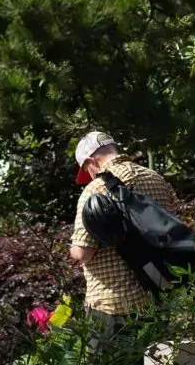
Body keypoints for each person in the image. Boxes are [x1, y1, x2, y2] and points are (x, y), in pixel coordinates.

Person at [69, 128, 176, 323]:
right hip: (157, 299)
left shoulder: (95, 190)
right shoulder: (157, 180)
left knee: (110, 355)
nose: (90, 176)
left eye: (87, 170)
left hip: (113, 307)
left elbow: (84, 253)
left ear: (91, 161)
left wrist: (74, 250)